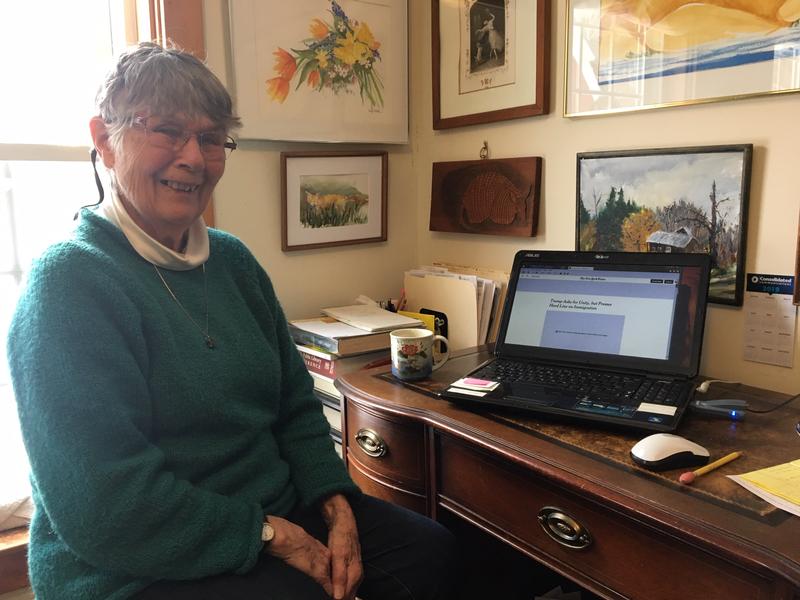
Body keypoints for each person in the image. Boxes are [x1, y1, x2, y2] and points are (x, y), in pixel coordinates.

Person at [7, 42, 457, 600]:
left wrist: (338, 503)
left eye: (212, 137)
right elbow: (106, 507)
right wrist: (272, 536)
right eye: (168, 130)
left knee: (431, 551)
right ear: (104, 139)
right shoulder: (70, 284)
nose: (193, 157)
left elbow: (295, 405)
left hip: (272, 514)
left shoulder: (233, 261)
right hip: (133, 562)